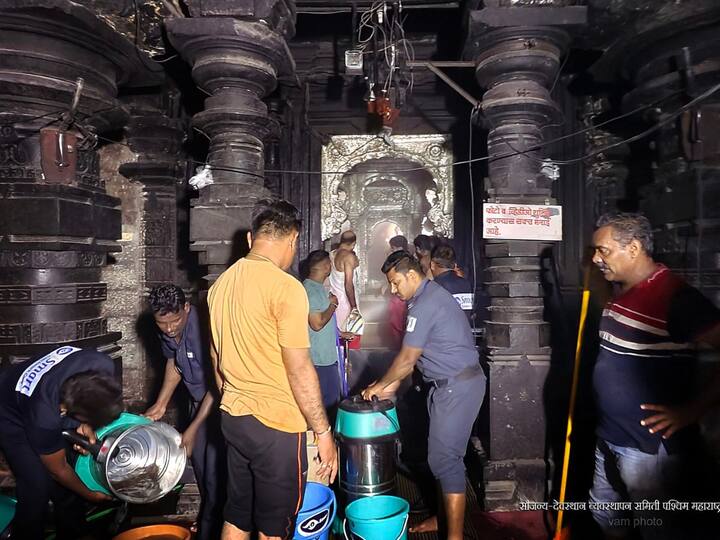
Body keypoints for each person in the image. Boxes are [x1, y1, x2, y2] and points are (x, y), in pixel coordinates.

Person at [207, 199, 337, 540]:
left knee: (237, 516)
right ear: (293, 240)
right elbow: (299, 369)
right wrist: (322, 433)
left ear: (251, 239)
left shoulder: (220, 285)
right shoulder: (285, 287)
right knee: (273, 528)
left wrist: (236, 395)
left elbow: (216, 359)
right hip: (276, 426)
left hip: (233, 417)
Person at [588, 212, 720, 540]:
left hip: (647, 448)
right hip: (610, 435)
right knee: (604, 511)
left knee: (657, 528)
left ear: (632, 248)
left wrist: (693, 410)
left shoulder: (677, 298)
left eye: (602, 250)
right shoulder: (622, 290)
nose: (595, 258)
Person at [362, 250, 485, 540]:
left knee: (446, 460)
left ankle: (453, 535)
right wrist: (388, 384)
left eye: (396, 283)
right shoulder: (425, 297)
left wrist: (378, 387)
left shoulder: (425, 304)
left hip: (456, 387)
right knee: (440, 458)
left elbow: (406, 360)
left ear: (412, 275)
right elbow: (414, 361)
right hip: (446, 385)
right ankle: (442, 518)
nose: (393, 290)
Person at [0, 347, 123, 540]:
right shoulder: (44, 417)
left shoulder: (102, 363)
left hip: (47, 395)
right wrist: (89, 495)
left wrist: (87, 424)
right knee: (36, 485)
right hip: (9, 413)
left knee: (70, 481)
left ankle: (74, 533)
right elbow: (58, 470)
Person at [145, 284, 224, 540]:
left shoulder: (205, 330)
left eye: (175, 320)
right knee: (202, 473)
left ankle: (212, 530)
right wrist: (161, 403)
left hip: (218, 407)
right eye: (161, 322)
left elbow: (219, 385)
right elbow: (175, 362)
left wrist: (192, 429)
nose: (169, 328)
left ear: (186, 308)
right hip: (196, 404)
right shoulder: (168, 329)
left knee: (216, 480)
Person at [302, 250, 353, 417]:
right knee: (326, 408)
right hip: (319, 362)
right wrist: (333, 305)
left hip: (327, 360)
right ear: (326, 266)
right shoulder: (311, 291)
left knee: (331, 404)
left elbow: (324, 323)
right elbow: (316, 324)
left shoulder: (318, 289)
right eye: (329, 264)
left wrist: (339, 334)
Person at [329, 230, 362, 349]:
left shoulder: (332, 254)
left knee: (338, 341)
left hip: (335, 303)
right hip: (347, 303)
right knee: (351, 340)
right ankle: (349, 366)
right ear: (353, 244)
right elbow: (348, 284)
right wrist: (354, 307)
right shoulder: (348, 257)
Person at [430, 244, 474, 323]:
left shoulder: (432, 288)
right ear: (454, 265)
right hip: (464, 333)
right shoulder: (466, 284)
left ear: (432, 265)